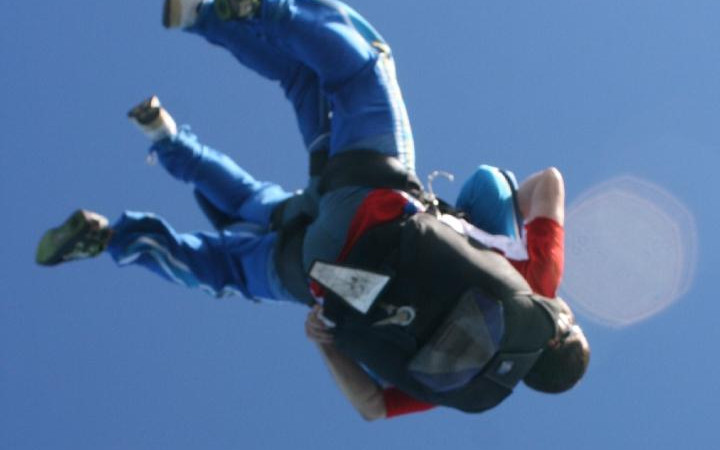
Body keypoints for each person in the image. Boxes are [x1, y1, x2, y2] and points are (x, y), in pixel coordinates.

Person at [36, 0, 589, 418]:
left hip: (376, 203)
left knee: (360, 72)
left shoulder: (540, 285)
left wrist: (488, 220)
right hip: (320, 276)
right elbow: (372, 406)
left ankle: (245, 10)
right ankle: (112, 235)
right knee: (227, 259)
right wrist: (326, 345)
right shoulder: (468, 384)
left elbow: (549, 183)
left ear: (561, 332)